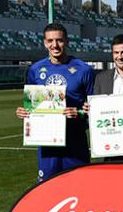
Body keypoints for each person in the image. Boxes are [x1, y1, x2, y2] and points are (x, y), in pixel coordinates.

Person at [15, 22, 94, 181]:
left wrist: (79, 113)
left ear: (67, 41)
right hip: (47, 143)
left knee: (79, 187)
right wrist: (24, 112)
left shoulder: (84, 69)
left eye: (59, 40)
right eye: (50, 41)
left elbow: (95, 108)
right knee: (47, 189)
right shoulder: (35, 70)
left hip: (75, 141)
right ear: (45, 43)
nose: (55, 45)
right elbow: (32, 104)